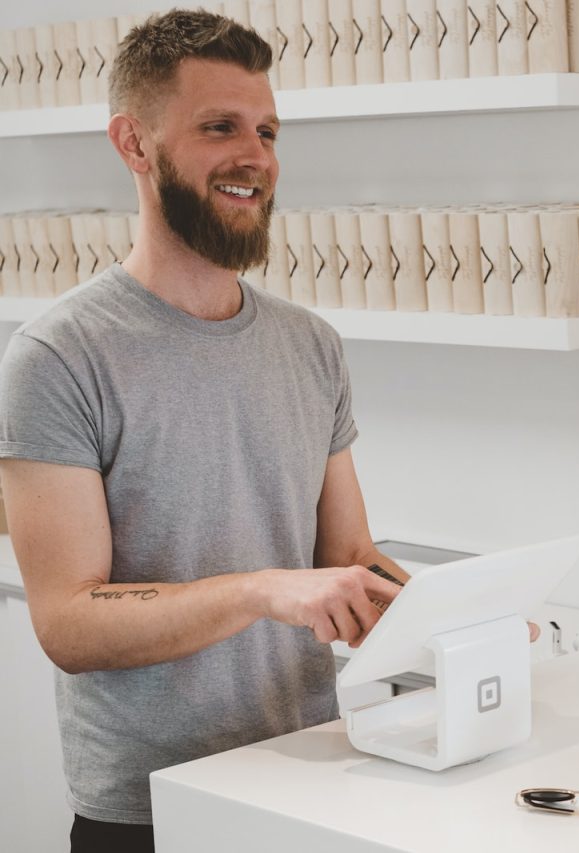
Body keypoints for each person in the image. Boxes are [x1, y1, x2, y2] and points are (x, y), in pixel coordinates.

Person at [0, 10, 406, 852]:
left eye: (265, 130)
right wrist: (263, 588)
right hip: (151, 812)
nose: (255, 156)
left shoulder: (310, 344)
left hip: (306, 777)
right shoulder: (57, 355)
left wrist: (455, 610)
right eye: (218, 127)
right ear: (134, 144)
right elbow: (69, 623)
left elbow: (349, 554)